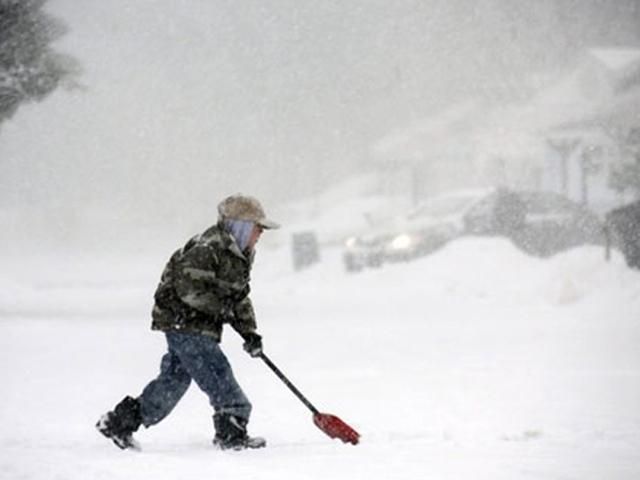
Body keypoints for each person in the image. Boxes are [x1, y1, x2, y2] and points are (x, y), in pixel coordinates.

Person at [96, 194, 280, 450]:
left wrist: (250, 333)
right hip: (184, 321)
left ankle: (121, 422)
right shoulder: (208, 249)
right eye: (257, 228)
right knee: (217, 372)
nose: (260, 234)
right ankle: (231, 430)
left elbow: (238, 297)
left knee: (174, 381)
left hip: (195, 324)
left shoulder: (241, 254)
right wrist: (222, 310)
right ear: (241, 226)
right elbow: (190, 292)